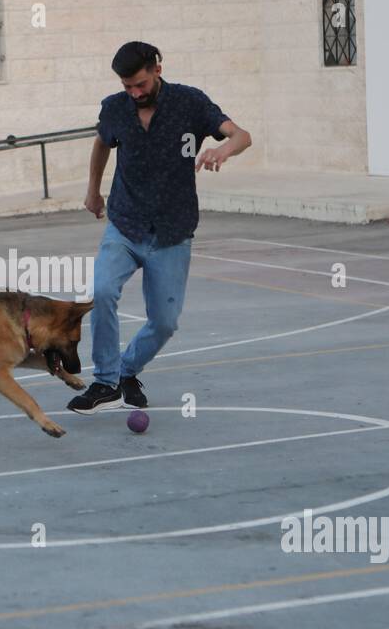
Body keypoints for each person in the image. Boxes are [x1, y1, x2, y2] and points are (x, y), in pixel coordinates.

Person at [67, 41, 251, 414]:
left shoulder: (191, 103)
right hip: (125, 223)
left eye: (140, 84)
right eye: (127, 86)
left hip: (172, 231)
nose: (134, 92)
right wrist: (93, 190)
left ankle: (127, 370)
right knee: (101, 290)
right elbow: (102, 144)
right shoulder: (115, 108)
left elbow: (241, 135)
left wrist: (222, 150)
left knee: (165, 322)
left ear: (157, 70)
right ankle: (105, 382)